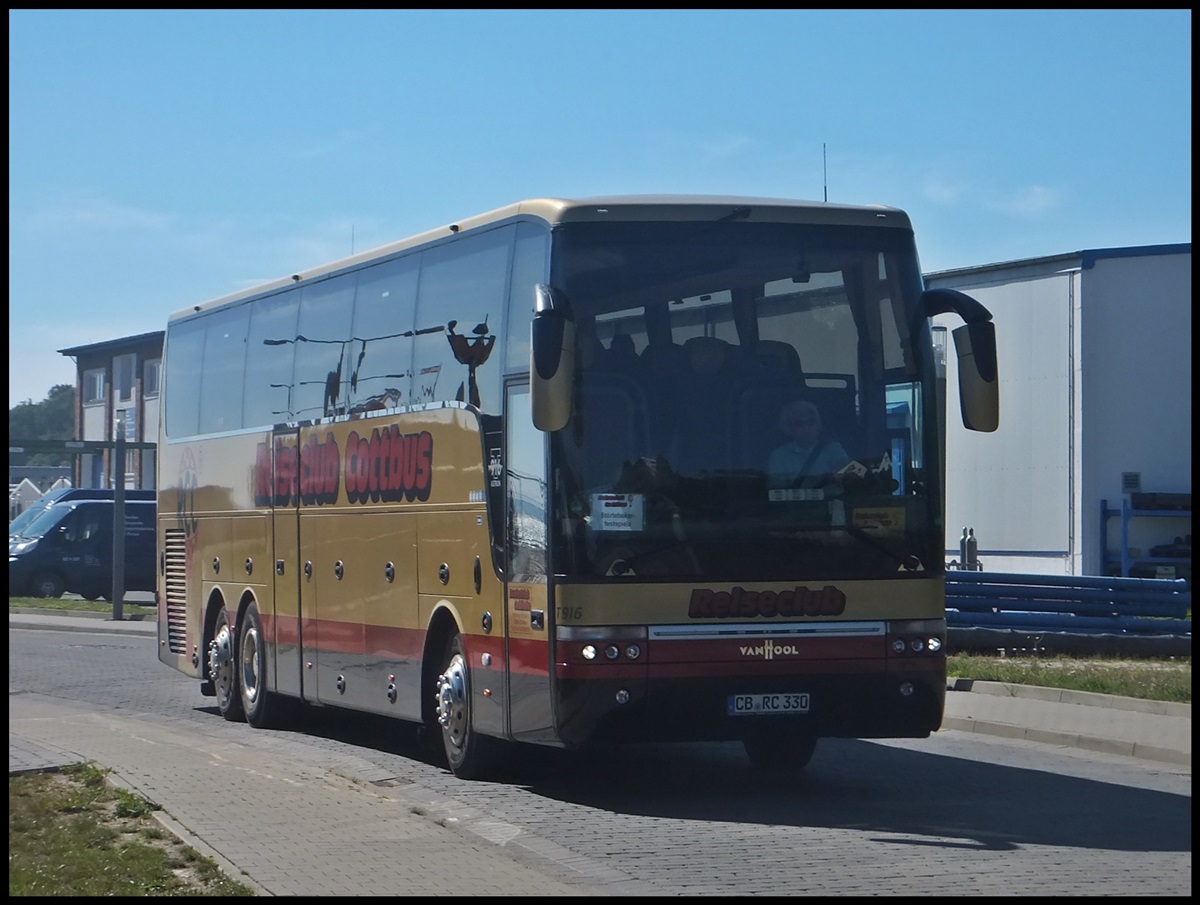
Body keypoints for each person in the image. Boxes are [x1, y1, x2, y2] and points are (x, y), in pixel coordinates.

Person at [766, 397, 850, 490]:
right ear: (788, 428)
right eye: (798, 424)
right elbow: (777, 486)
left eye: (811, 422)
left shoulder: (833, 448)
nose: (806, 428)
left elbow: (852, 475)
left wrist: (840, 473)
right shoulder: (779, 455)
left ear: (818, 425)